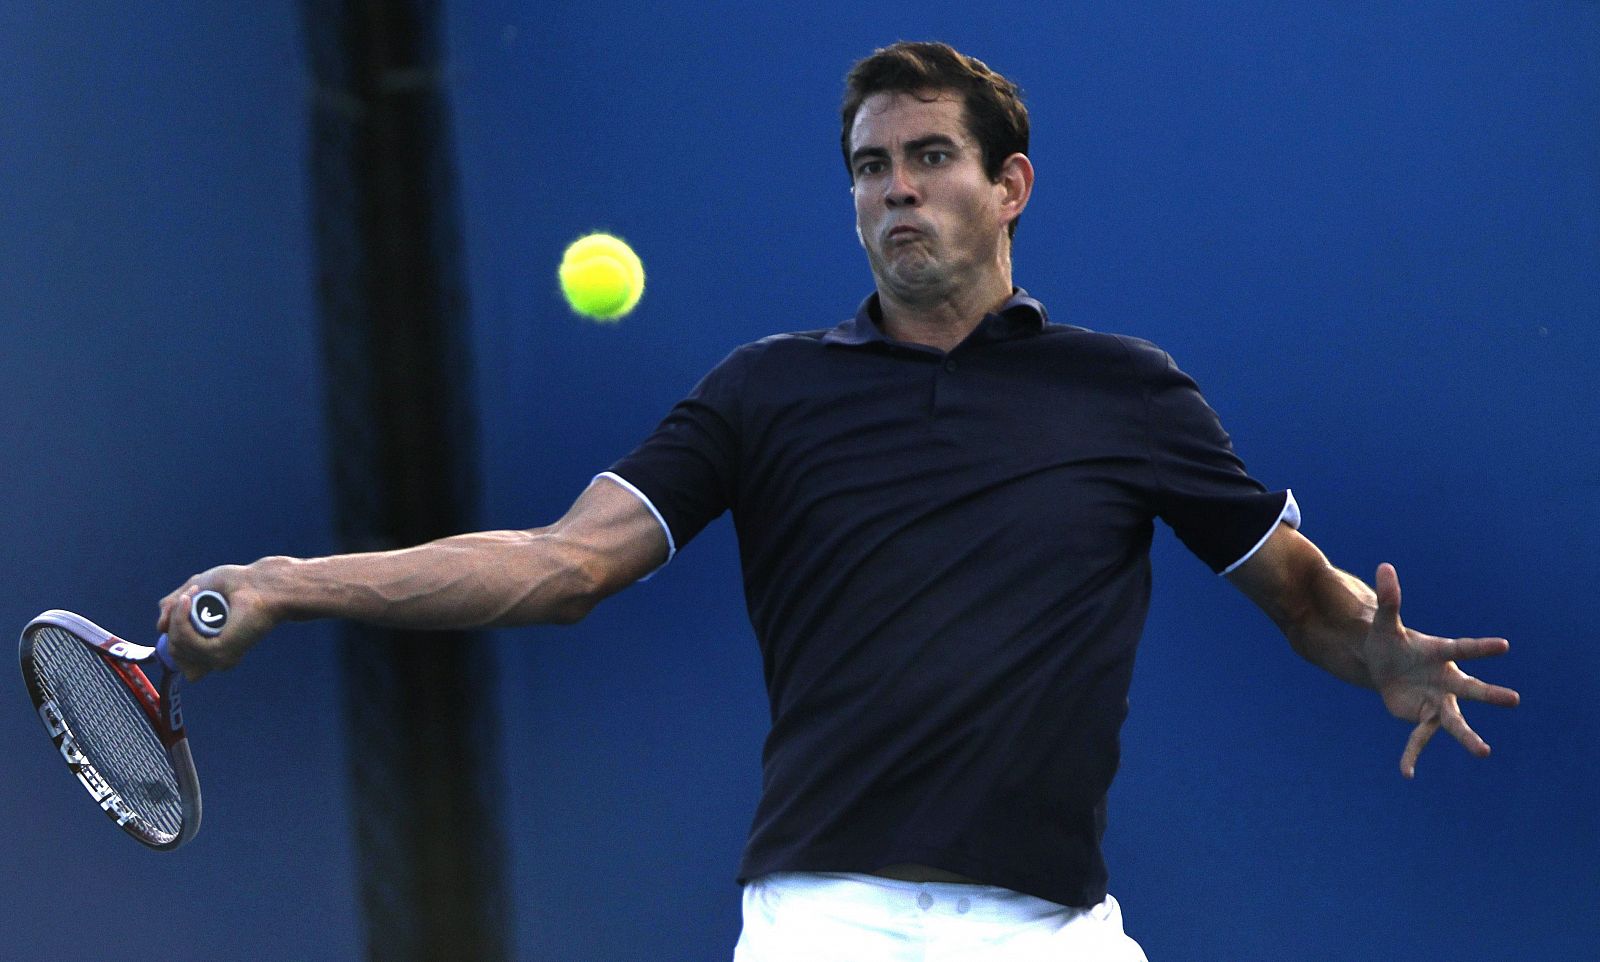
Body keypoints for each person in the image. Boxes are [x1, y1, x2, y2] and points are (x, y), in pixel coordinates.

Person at [161, 41, 1519, 961]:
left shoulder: (1128, 396)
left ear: (1010, 188)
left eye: (930, 158)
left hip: (1053, 927)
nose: (897, 190)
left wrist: (1376, 652)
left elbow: (1299, 592)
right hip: (830, 922)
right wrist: (290, 578)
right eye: (872, 168)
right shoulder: (764, 395)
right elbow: (556, 565)